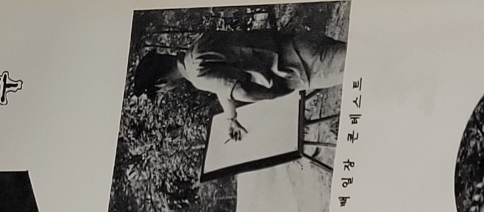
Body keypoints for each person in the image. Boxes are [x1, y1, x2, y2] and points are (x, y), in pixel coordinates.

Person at [132, 30, 347, 141]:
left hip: (300, 67)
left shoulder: (197, 76)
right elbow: (223, 85)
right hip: (297, 42)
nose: (166, 92)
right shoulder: (198, 46)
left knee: (360, 63)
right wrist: (231, 119)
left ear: (161, 83)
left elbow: (241, 91)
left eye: (161, 92)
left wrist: (276, 94)